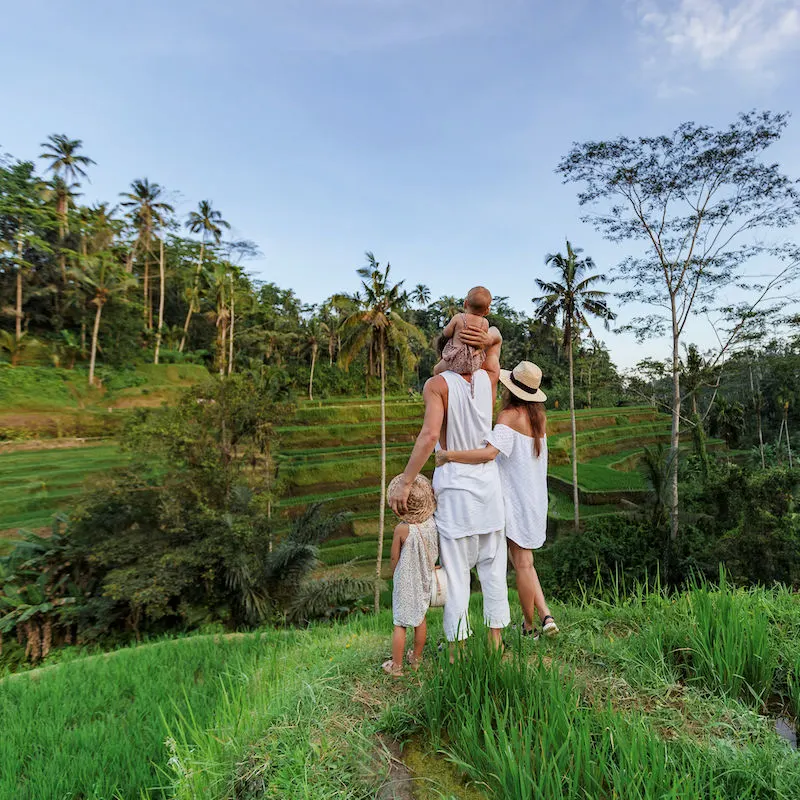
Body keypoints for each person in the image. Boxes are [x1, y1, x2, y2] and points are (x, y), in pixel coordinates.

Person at [388, 324, 509, 650]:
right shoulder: (490, 377)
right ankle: (496, 646)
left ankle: (457, 650)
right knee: (493, 570)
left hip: (455, 489)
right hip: (488, 488)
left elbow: (429, 436)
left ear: (445, 352)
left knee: (457, 575)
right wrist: (485, 336)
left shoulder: (436, 385)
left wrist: (407, 481)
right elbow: (495, 339)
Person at [436, 361, 559, 638]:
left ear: (510, 388)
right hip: (535, 497)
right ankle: (545, 616)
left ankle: (528, 628)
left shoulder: (509, 416)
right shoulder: (538, 417)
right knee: (526, 562)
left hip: (514, 500)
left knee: (522, 564)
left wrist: (448, 455)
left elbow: (489, 454)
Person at [382, 474, 439, 677]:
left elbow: (394, 558)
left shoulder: (402, 529)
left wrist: (395, 573)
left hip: (406, 579)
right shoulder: (432, 524)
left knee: (400, 623)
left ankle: (396, 666)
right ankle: (416, 658)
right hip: (425, 576)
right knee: (419, 617)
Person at [433, 287, 501, 378]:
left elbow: (446, 333)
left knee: (436, 370)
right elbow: (481, 342)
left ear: (465, 303)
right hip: (474, 363)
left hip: (456, 360)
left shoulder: (458, 317)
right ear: (487, 311)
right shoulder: (485, 323)